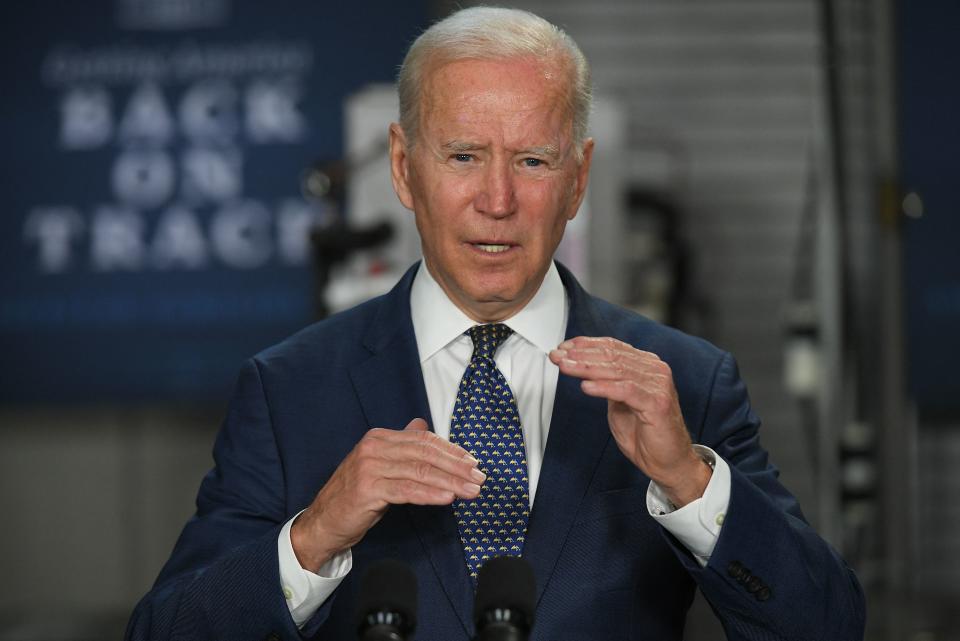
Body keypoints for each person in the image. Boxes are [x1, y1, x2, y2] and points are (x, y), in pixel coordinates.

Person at [126, 7, 865, 641]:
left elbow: (828, 623)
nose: (499, 198)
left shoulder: (685, 382)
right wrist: (314, 535)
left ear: (578, 179)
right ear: (402, 166)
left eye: (534, 161)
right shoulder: (288, 390)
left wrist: (691, 480)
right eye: (464, 156)